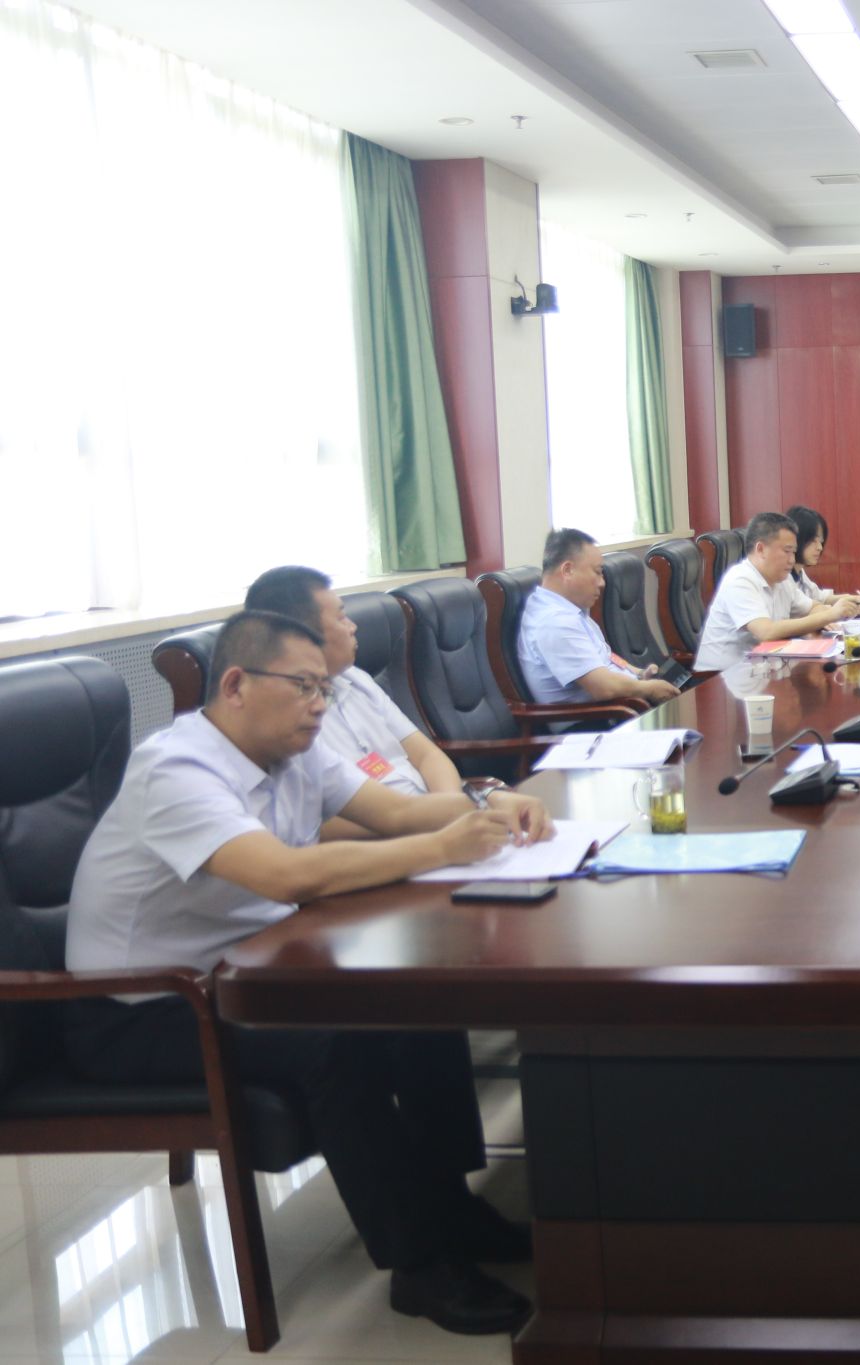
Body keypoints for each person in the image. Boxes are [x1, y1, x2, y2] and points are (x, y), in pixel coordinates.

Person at [64, 610, 557, 1334]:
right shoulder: (176, 769)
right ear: (236, 684)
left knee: (417, 998)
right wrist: (444, 847)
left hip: (242, 970)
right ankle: (419, 1264)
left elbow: (398, 814)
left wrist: (489, 805)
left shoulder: (294, 749)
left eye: (324, 688)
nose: (320, 704)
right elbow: (285, 874)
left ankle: (451, 1206)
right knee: (333, 1043)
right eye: (303, 686)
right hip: (137, 1010)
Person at [244, 566, 464, 802]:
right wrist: (434, 815)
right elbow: (318, 815)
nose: (353, 627)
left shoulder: (355, 678)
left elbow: (427, 755)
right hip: (397, 823)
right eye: (341, 618)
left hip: (435, 809)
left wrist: (452, 805)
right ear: (302, 635)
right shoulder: (279, 721)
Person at [517, 528, 683, 705]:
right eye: (597, 572)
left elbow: (606, 658)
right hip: (604, 717)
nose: (602, 582)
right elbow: (604, 688)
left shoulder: (569, 610)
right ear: (567, 570)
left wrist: (640, 674)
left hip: (624, 704)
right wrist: (649, 688)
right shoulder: (554, 622)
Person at [694, 511, 859, 672]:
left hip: (762, 668)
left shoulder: (782, 579)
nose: (792, 560)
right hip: (721, 677)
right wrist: (830, 615)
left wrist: (822, 617)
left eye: (794, 552)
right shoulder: (740, 580)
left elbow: (814, 607)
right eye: (787, 551)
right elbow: (766, 631)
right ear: (761, 549)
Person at [786, 505, 860, 613]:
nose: (820, 547)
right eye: (814, 541)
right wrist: (842, 610)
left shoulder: (799, 571)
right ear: (798, 539)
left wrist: (853, 600)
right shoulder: (784, 577)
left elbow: (820, 597)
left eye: (821, 541)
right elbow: (807, 609)